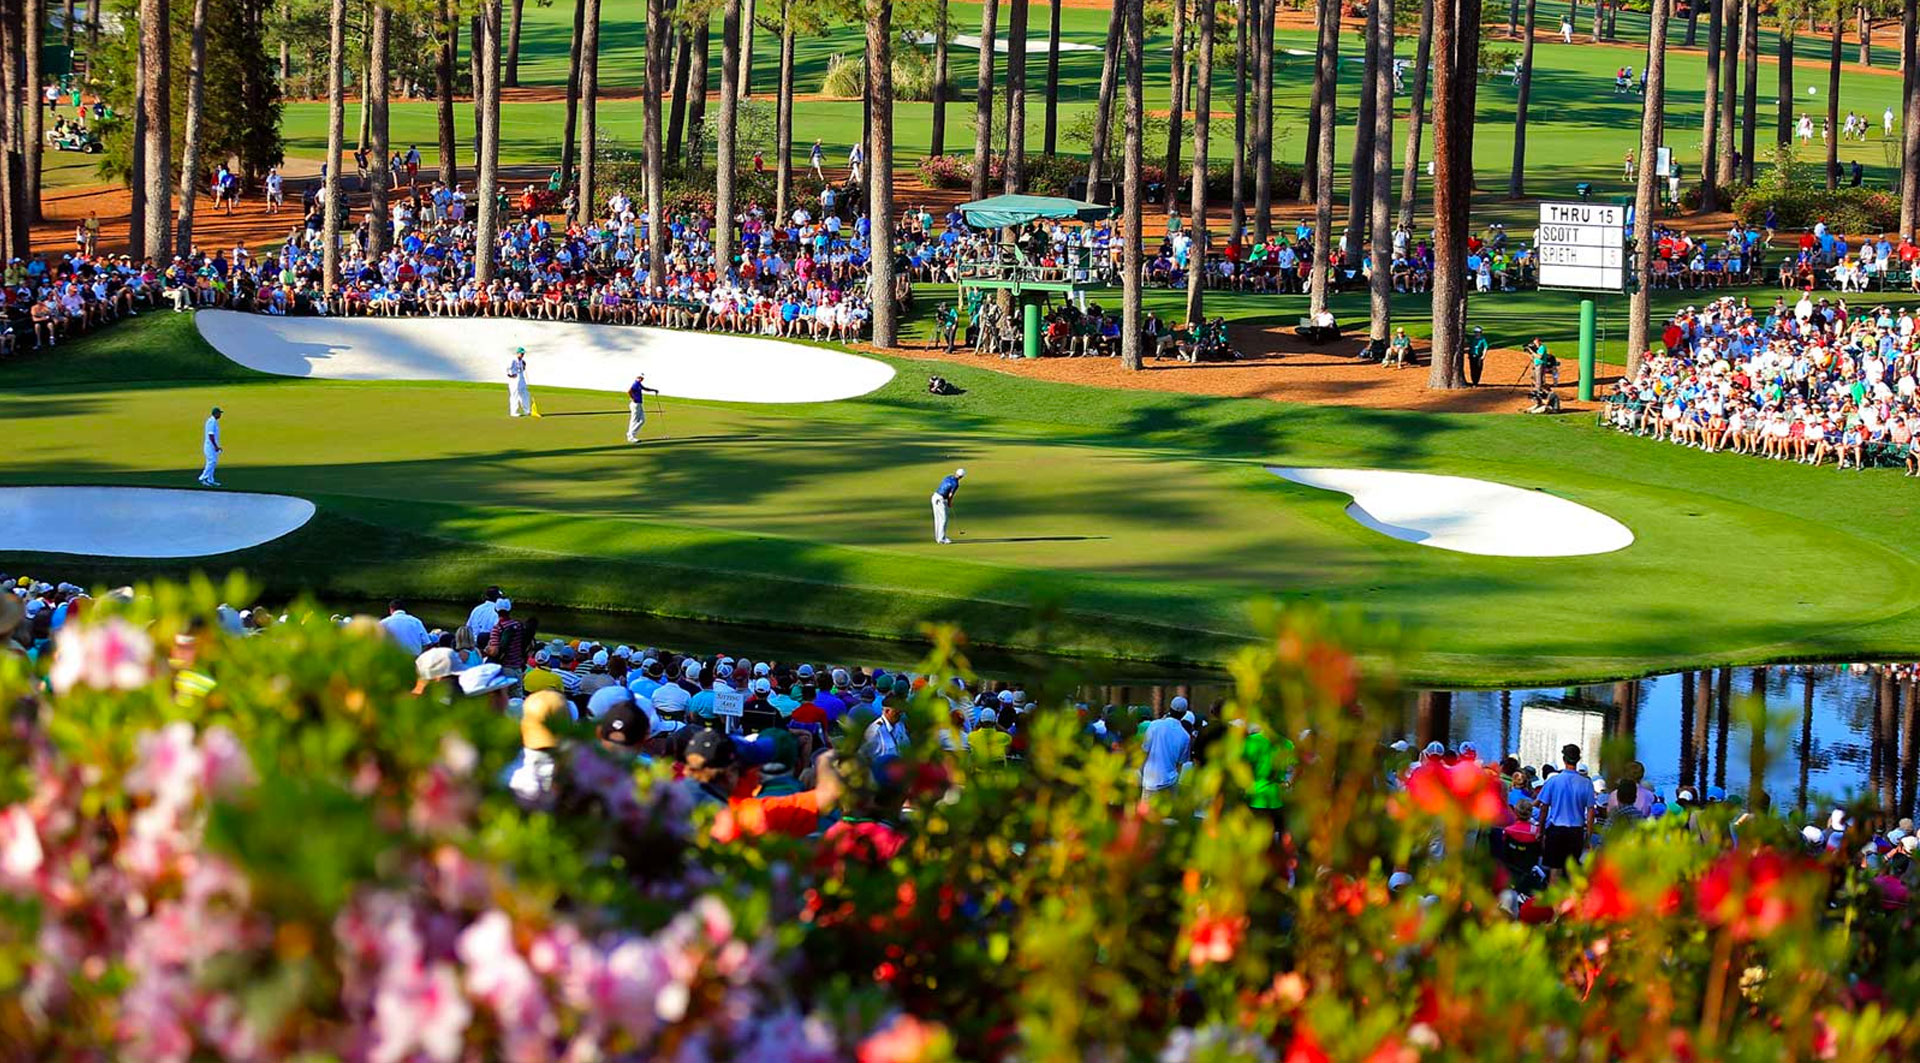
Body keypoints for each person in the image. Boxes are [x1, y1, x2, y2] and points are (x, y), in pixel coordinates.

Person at [1535, 743, 1595, 879]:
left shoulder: (1554, 781)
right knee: (1573, 872)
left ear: (1564, 759)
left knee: (1555, 872)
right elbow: (1591, 811)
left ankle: (1554, 899)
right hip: (1576, 831)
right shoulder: (1586, 783)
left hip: (1556, 830)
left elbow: (1544, 808)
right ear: (1578, 760)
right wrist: (1589, 837)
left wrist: (1541, 830)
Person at [1139, 698, 1192, 802]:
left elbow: (1144, 751)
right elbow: (1180, 763)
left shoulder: (1155, 725)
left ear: (1170, 709)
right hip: (1169, 782)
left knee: (1147, 816)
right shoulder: (1185, 736)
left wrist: (1141, 773)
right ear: (1184, 714)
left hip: (1150, 781)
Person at [931, 466, 965, 545]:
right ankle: (942, 539)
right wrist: (949, 502)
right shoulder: (956, 484)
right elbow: (950, 495)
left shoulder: (948, 477)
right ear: (961, 477)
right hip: (941, 500)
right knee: (943, 519)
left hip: (934, 497)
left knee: (938, 519)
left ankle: (938, 538)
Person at [626, 373, 660, 443]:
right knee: (634, 420)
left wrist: (654, 390)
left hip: (639, 404)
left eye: (642, 378)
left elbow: (645, 389)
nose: (641, 379)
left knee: (642, 420)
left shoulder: (639, 384)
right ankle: (631, 436)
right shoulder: (635, 384)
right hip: (635, 404)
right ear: (637, 377)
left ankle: (630, 433)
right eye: (640, 377)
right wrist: (633, 398)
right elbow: (629, 391)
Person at [198, 406, 224, 487]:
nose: (220, 415)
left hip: (212, 446)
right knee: (211, 462)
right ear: (216, 414)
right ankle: (202, 478)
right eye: (219, 413)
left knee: (213, 462)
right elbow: (211, 435)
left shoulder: (214, 422)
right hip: (210, 446)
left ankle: (210, 480)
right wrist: (216, 446)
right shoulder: (211, 422)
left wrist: (217, 446)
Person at [506, 346, 531, 417]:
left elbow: (522, 369)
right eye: (521, 353)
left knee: (525, 394)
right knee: (515, 395)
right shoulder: (513, 360)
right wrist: (510, 375)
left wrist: (523, 366)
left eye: (523, 354)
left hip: (521, 379)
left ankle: (527, 410)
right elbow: (507, 368)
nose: (522, 355)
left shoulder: (522, 361)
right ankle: (513, 412)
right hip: (514, 380)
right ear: (517, 353)